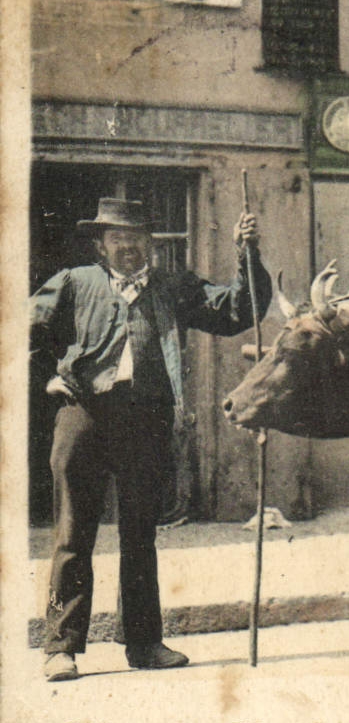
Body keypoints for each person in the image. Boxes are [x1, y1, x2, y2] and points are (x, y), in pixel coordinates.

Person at [31, 198, 271, 681]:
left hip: (148, 423)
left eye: (138, 238)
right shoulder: (76, 283)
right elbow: (22, 330)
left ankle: (144, 645)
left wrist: (248, 254)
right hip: (84, 417)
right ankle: (61, 648)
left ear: (151, 245)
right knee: (73, 535)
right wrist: (44, 382)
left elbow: (236, 311)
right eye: (119, 238)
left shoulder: (174, 287)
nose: (129, 247)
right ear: (101, 245)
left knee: (140, 537)